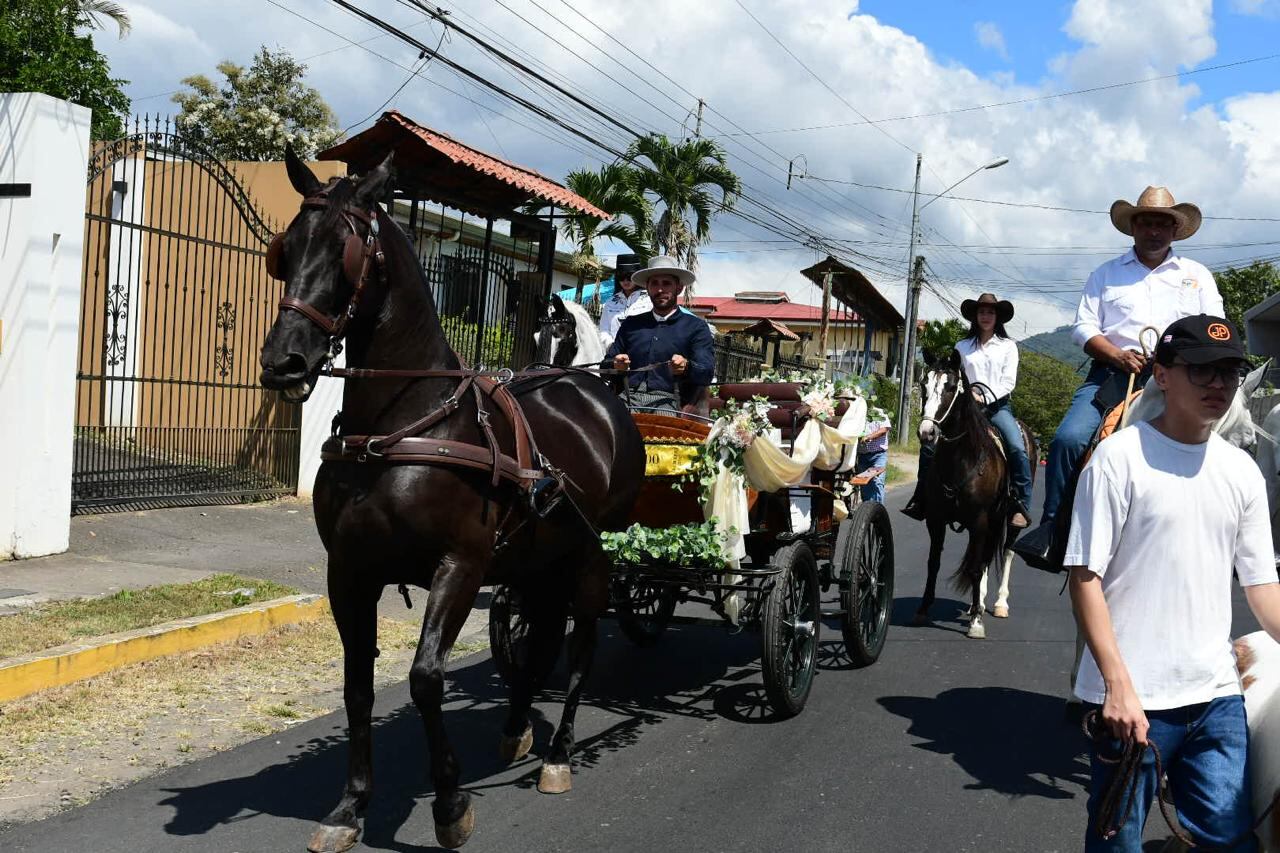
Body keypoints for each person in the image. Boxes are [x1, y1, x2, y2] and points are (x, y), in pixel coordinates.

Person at [1067, 314, 1280, 851]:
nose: (1219, 385)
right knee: (1118, 839)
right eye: (1201, 370)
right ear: (1162, 374)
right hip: (1133, 697)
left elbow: (1261, 585)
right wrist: (1116, 684)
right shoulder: (1119, 459)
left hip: (1216, 696)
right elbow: (1085, 577)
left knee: (1232, 839)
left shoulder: (1241, 471)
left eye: (1229, 372)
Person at [1017, 187, 1223, 566]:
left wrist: (1180, 357)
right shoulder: (1106, 274)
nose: (1155, 230)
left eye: (1163, 223)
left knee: (1230, 441)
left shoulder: (1198, 276)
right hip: (1113, 372)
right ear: (1134, 228)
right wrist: (1115, 354)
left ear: (1175, 230)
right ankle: (1054, 531)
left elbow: (1216, 327)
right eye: (1147, 222)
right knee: (1068, 438)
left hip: (1180, 375)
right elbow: (1083, 327)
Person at [901, 293, 1033, 527]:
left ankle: (1019, 504)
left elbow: (1008, 383)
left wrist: (982, 396)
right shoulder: (961, 347)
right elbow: (953, 378)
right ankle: (921, 497)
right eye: (982, 312)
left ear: (997, 317)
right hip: (963, 411)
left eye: (990, 312)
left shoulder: (1008, 347)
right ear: (975, 316)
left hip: (997, 408)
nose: (985, 316)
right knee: (929, 445)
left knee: (1016, 446)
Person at [603, 255, 714, 412]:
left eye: (666, 283)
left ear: (679, 288)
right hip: (626, 398)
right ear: (647, 288)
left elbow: (706, 372)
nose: (660, 289)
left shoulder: (696, 327)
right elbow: (604, 366)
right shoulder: (631, 324)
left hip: (669, 402)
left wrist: (686, 367)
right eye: (654, 283)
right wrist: (615, 364)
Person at [598, 253, 650, 349]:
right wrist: (612, 347)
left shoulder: (650, 300)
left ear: (637, 276)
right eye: (621, 277)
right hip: (615, 356)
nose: (625, 281)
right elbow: (603, 330)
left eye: (629, 276)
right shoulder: (610, 303)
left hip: (642, 354)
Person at [857, 408, 891, 503]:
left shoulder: (880, 413)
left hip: (878, 455)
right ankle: (866, 510)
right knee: (864, 482)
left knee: (877, 482)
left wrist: (869, 437)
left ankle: (878, 509)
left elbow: (884, 429)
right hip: (863, 455)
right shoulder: (858, 412)